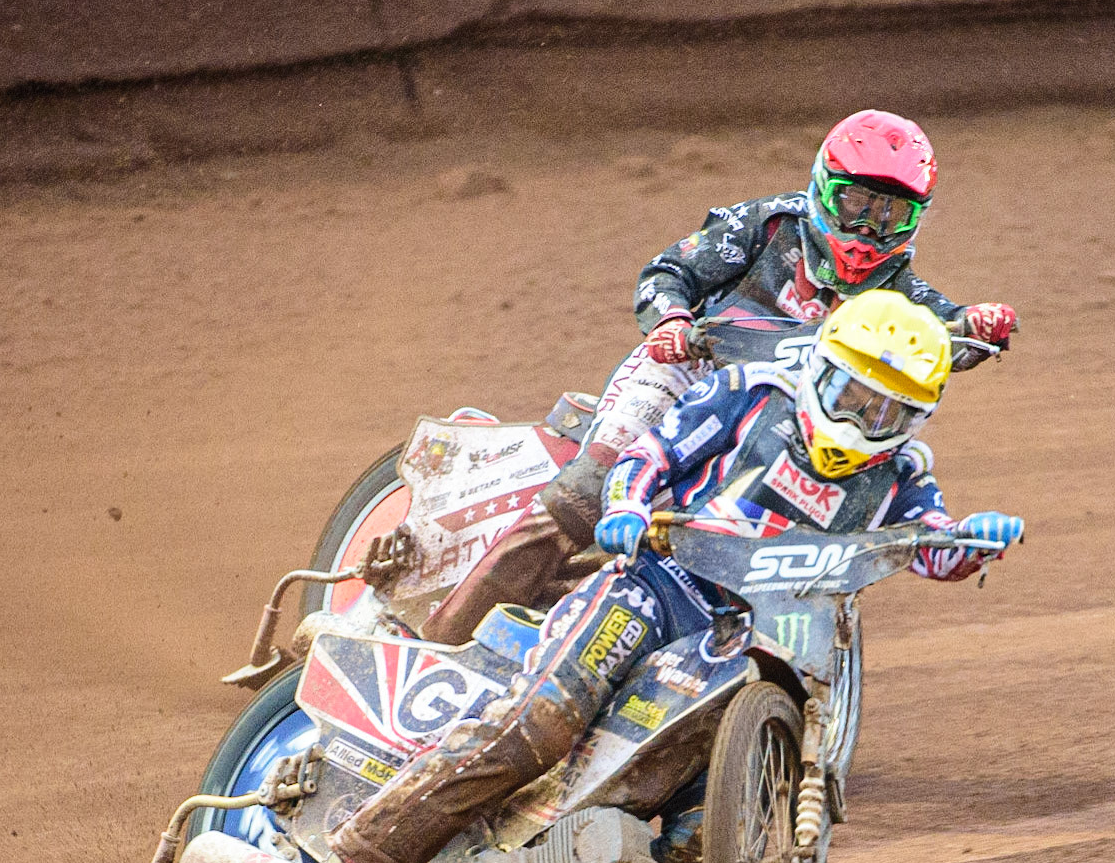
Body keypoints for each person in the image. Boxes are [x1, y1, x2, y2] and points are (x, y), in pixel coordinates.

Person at [308, 290, 1025, 863]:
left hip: (749, 645)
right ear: (821, 371)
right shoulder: (749, 395)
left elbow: (931, 546)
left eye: (888, 412)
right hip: (655, 588)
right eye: (852, 397)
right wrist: (625, 502)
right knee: (543, 719)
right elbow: (652, 453)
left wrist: (972, 542)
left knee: (707, 845)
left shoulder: (902, 477)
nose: (864, 421)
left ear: (915, 419)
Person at [418, 108, 1018, 644]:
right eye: (855, 204)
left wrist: (978, 324)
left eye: (889, 213)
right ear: (821, 188)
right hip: (688, 373)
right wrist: (672, 320)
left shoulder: (900, 289)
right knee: (584, 497)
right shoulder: (765, 225)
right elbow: (669, 268)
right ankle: (443, 636)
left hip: (788, 412)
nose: (866, 230)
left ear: (917, 219)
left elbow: (940, 334)